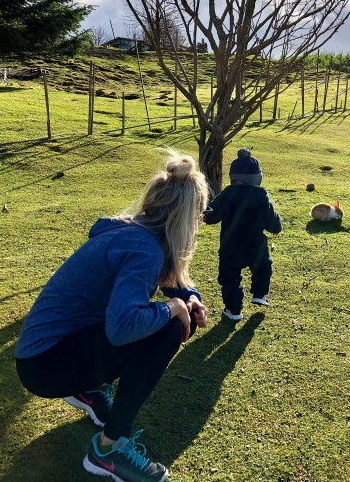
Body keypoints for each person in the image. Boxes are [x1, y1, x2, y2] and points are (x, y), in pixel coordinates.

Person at [15, 151, 209, 482]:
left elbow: (164, 280)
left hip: (39, 355)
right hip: (45, 365)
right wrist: (173, 309)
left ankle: (87, 388)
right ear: (184, 218)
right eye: (199, 216)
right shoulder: (144, 249)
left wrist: (188, 296)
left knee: (167, 316)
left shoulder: (130, 232)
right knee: (167, 329)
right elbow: (122, 328)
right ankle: (108, 450)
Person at [203, 148, 282, 321]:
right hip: (256, 245)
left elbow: (212, 217)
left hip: (231, 246)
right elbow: (272, 222)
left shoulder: (226, 195)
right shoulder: (262, 197)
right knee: (263, 267)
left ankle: (234, 310)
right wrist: (277, 227)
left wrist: (205, 211)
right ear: (257, 177)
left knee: (230, 277)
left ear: (233, 177)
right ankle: (260, 294)